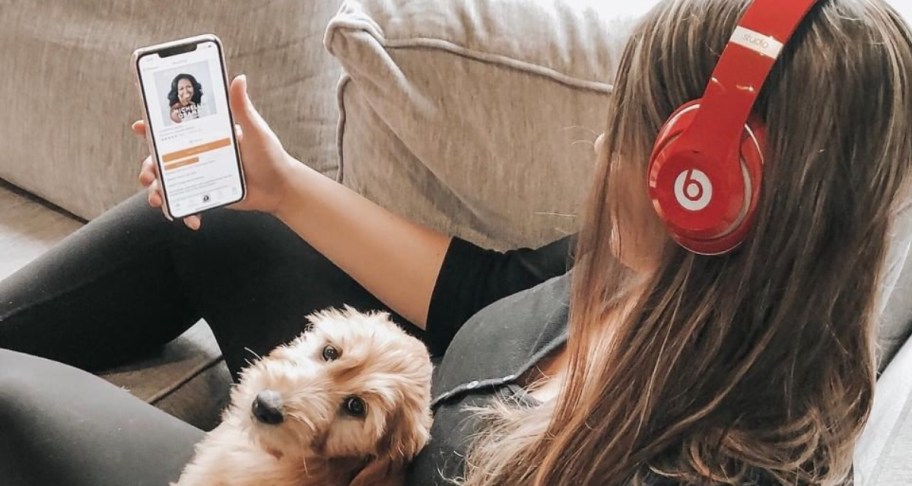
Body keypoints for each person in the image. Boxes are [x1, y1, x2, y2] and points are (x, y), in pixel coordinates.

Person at [1, 0, 910, 484]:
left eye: (627, 129)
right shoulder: (657, 274)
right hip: (403, 409)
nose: (600, 148)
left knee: (11, 401)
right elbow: (484, 292)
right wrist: (281, 185)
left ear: (701, 192)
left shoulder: (701, 464)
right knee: (222, 214)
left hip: (359, 460)